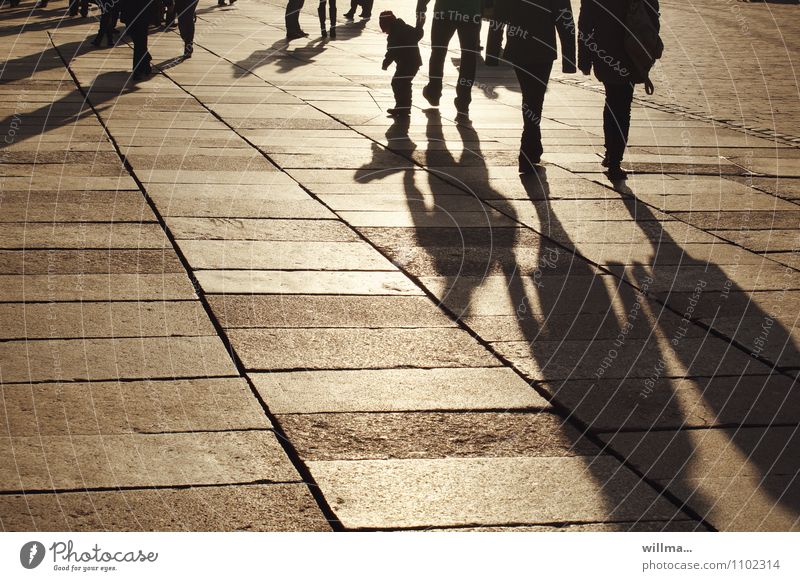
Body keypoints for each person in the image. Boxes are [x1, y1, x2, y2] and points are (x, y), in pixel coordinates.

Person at [578, 0, 660, 179]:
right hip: (631, 53)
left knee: (612, 102)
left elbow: (585, 24)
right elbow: (653, 15)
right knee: (623, 107)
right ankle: (615, 159)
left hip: (605, 53)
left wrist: (584, 59)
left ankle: (611, 154)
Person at [505, 0, 575, 173]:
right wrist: (569, 60)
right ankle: (528, 151)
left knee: (531, 98)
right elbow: (565, 20)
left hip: (517, 47)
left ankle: (532, 148)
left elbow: (499, 13)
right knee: (535, 99)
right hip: (542, 49)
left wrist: (492, 49)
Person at [416, 0, 481, 119]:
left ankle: (434, 92)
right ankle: (463, 100)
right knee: (468, 57)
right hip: (471, 12)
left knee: (438, 52)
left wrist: (421, 8)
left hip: (444, 10)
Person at [379, 10, 423, 118]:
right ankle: (403, 108)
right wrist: (419, 26)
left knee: (398, 83)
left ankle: (403, 107)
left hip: (407, 63)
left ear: (388, 25)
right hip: (413, 62)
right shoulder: (405, 28)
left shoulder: (394, 35)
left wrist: (385, 63)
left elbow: (392, 52)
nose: (386, 32)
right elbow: (417, 34)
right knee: (403, 83)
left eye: (385, 30)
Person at [121, 0, 156, 80]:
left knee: (139, 43)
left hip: (141, 13)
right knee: (139, 42)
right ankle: (146, 60)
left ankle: (137, 70)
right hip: (132, 13)